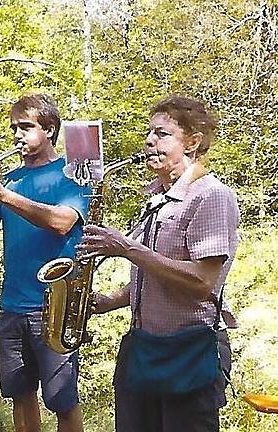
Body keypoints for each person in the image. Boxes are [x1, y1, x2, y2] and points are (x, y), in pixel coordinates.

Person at [80, 95, 239, 432]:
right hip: (143, 348)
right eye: (148, 132)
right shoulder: (156, 197)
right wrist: (111, 301)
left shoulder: (210, 196)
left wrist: (126, 248)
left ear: (193, 142)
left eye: (162, 134)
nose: (149, 141)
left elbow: (202, 282)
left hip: (187, 353)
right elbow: (154, 274)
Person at [0, 93, 88, 432]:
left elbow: (62, 221)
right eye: (14, 128)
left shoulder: (71, 174)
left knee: (62, 400)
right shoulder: (11, 179)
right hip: (13, 305)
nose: (17, 135)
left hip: (53, 306)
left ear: (49, 130)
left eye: (26, 127)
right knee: (21, 395)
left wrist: (4, 196)